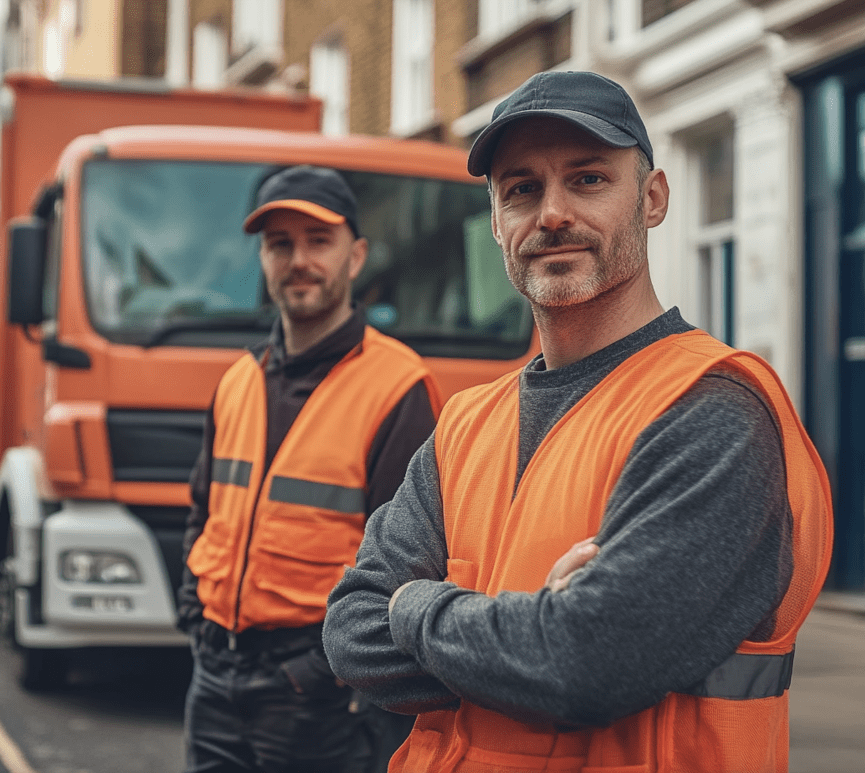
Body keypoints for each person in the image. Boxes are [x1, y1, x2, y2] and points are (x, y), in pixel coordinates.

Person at [322, 71, 833, 773]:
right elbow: (350, 630)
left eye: (588, 180)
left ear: (652, 199)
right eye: (521, 189)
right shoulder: (465, 423)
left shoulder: (712, 411)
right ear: (496, 221)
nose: (553, 214)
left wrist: (412, 604)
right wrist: (526, 627)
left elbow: (587, 662)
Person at [177, 165, 440, 773]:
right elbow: (203, 513)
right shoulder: (237, 380)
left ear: (357, 256)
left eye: (318, 241)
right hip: (214, 675)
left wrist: (320, 673)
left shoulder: (398, 387)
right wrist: (193, 613)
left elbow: (412, 563)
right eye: (280, 244)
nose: (298, 261)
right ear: (263, 259)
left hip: (314, 696)